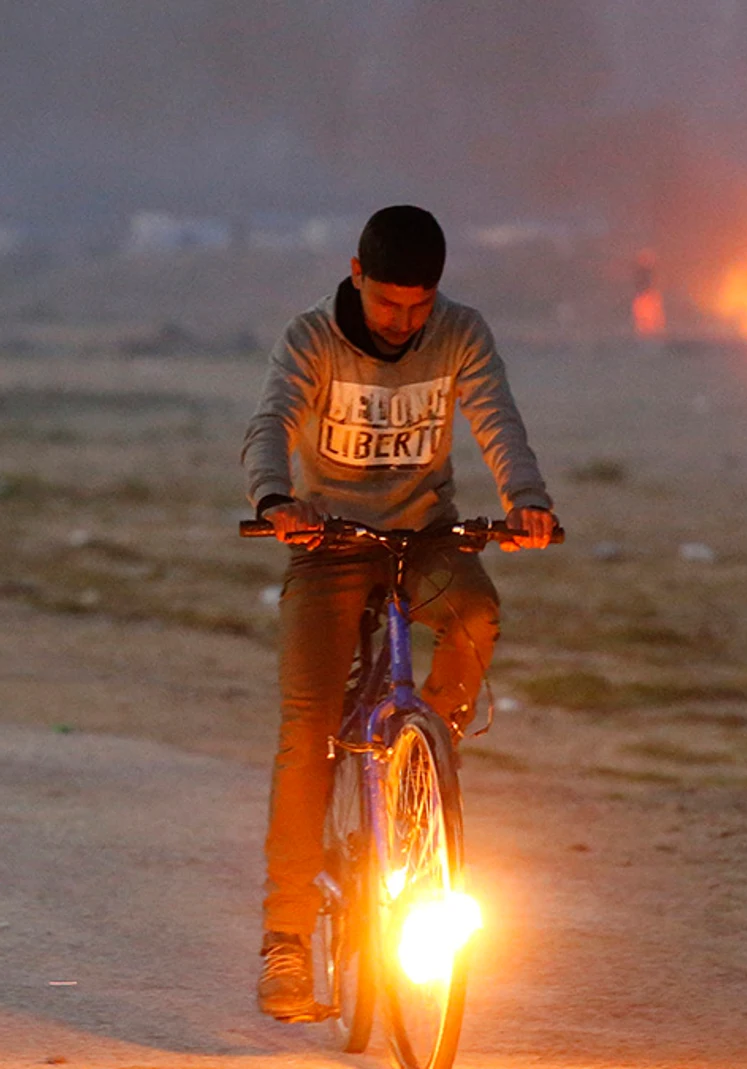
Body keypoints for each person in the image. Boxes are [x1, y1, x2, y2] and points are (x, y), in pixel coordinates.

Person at [240, 205, 558, 1020]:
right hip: (330, 542)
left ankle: (429, 752)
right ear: (357, 274)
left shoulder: (460, 332)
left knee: (477, 614)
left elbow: (497, 417)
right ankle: (284, 944)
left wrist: (526, 500)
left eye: (419, 307)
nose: (404, 323)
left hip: (427, 537)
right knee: (307, 730)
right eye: (389, 305)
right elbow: (271, 419)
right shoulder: (312, 337)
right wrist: (276, 500)